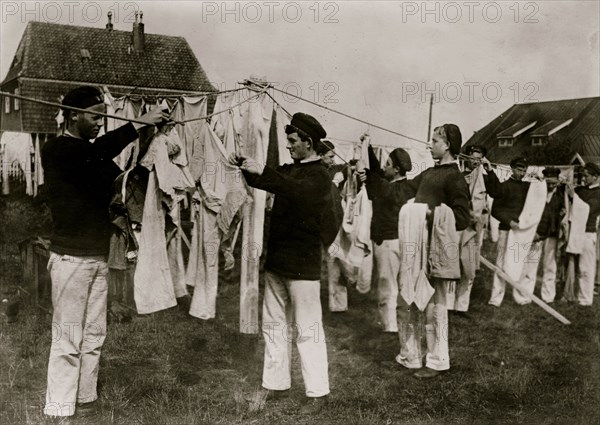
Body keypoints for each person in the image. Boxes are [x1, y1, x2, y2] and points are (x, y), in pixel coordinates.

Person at [41, 86, 167, 418]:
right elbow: (95, 153)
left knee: (94, 335)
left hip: (98, 257)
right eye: (95, 117)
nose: (100, 123)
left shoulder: (95, 155)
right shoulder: (57, 150)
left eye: (102, 116)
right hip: (69, 259)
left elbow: (126, 181)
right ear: (72, 116)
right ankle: (58, 409)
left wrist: (154, 140)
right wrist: (138, 122)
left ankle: (85, 401)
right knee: (68, 337)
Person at [232, 112, 331, 415]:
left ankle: (317, 392)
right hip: (277, 260)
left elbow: (293, 189)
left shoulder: (319, 176)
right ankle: (275, 382)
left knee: (307, 328)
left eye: (292, 141)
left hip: (303, 265)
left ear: (308, 143)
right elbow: (269, 179)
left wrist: (264, 171)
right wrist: (246, 166)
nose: (288, 146)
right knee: (274, 326)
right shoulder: (291, 169)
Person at [394, 124, 470, 379]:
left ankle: (437, 361)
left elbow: (461, 216)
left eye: (434, 140)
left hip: (435, 250)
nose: (430, 144)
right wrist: (369, 173)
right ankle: (411, 356)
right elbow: (402, 190)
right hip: (416, 249)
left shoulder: (454, 177)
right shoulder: (428, 173)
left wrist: (429, 214)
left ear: (447, 144)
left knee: (434, 308)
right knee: (408, 302)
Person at [357, 147, 413, 332]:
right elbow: (378, 173)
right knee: (398, 284)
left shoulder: (394, 188)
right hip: (399, 242)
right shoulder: (404, 185)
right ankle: (398, 323)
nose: (384, 167)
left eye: (387, 164)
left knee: (386, 284)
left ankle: (390, 327)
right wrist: (368, 148)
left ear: (396, 169)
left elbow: (378, 181)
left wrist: (366, 174)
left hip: (388, 243)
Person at [485, 156, 534, 306]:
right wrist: (509, 221)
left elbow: (538, 195)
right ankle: (496, 298)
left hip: (522, 232)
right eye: (519, 169)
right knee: (501, 263)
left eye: (524, 169)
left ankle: (520, 297)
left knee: (521, 263)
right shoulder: (504, 186)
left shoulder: (528, 187)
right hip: (506, 230)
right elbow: (495, 210)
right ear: (512, 169)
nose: (522, 172)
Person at [451, 145, 489, 316]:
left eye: (479, 159)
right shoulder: (456, 172)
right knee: (451, 264)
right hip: (453, 225)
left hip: (471, 227)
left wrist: (473, 219)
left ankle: (462, 305)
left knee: (468, 267)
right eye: (473, 157)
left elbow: (481, 200)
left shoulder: (482, 175)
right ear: (466, 157)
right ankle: (448, 304)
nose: (475, 162)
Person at [520, 167, 564, 303]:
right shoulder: (536, 192)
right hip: (537, 234)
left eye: (553, 183)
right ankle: (525, 296)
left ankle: (548, 296)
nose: (550, 186)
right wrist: (533, 232)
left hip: (552, 235)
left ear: (558, 181)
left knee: (550, 266)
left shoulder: (563, 195)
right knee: (531, 265)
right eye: (548, 183)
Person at [574, 162, 600, 306]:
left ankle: (585, 299)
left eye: (587, 175)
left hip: (587, 233)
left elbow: (588, 208)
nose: (584, 178)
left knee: (586, 267)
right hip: (575, 232)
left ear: (596, 177)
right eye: (583, 175)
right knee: (571, 265)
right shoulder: (580, 190)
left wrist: (573, 197)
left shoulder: (598, 193)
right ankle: (570, 294)